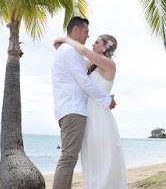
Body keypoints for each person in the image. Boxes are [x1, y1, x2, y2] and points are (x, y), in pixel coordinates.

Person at [54, 34, 127, 189]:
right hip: (89, 116)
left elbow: (81, 49)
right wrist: (62, 49)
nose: (93, 44)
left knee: (103, 161)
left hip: (100, 118)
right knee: (92, 161)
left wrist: (65, 39)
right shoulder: (93, 65)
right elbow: (76, 61)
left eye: (96, 42)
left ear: (105, 46)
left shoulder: (109, 64)